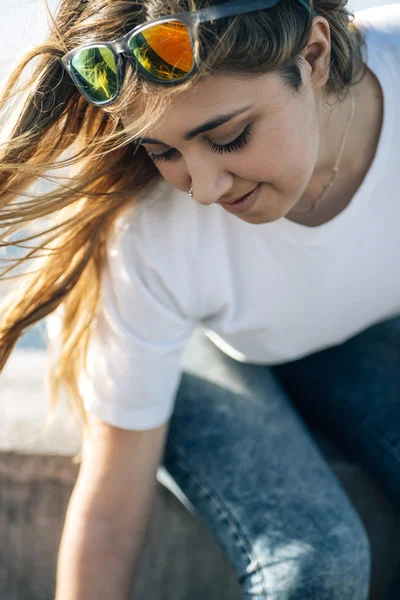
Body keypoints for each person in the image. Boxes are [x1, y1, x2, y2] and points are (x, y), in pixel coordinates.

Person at [0, 0, 399, 598]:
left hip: (347, 329)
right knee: (317, 562)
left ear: (312, 54)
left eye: (230, 137)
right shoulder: (150, 234)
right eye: (162, 152)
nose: (204, 189)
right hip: (196, 345)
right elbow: (110, 511)